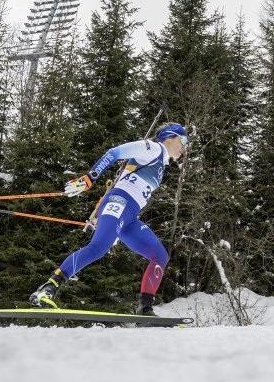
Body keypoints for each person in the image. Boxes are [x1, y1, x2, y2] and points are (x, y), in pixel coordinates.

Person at [30, 123, 190, 316]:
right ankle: (48, 289)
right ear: (169, 138)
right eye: (183, 140)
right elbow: (114, 152)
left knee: (160, 256)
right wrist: (89, 178)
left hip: (130, 216)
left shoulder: (160, 162)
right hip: (119, 201)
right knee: (98, 247)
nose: (185, 146)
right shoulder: (153, 148)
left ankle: (145, 308)